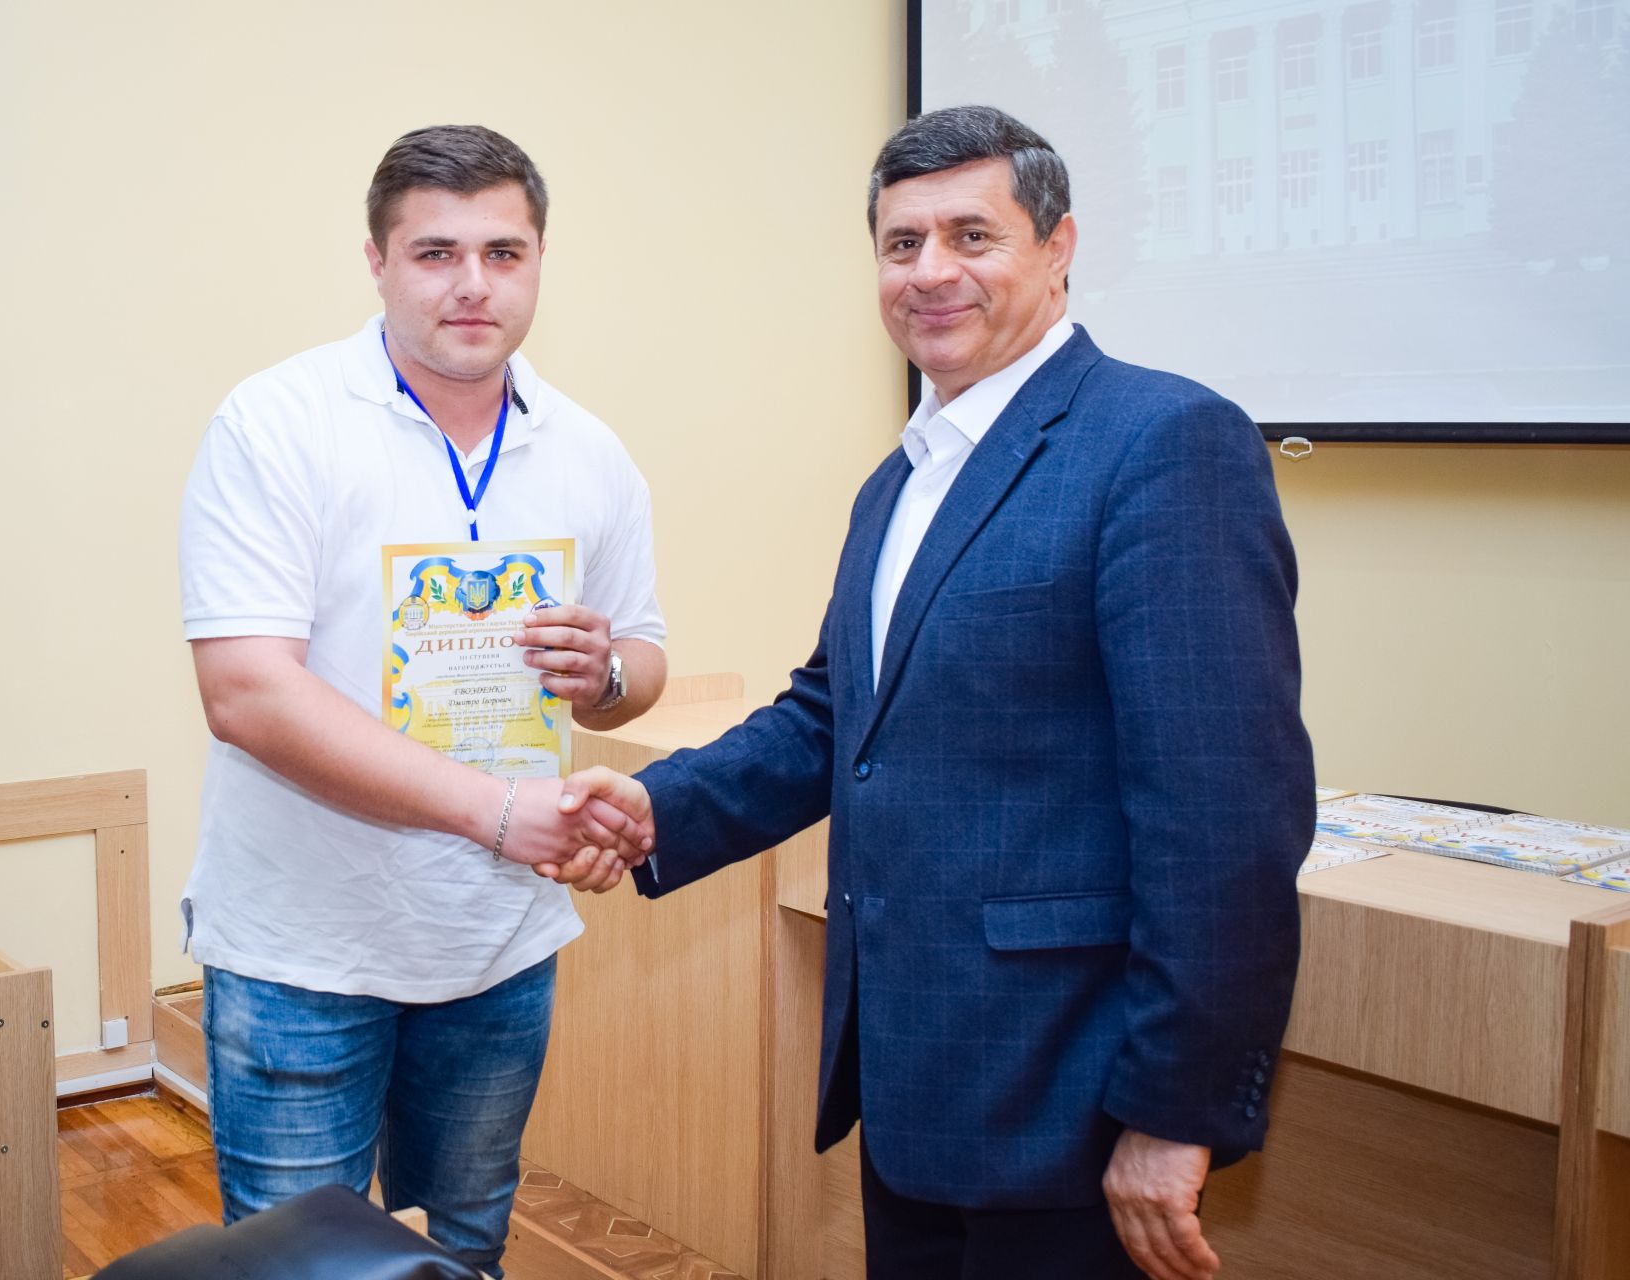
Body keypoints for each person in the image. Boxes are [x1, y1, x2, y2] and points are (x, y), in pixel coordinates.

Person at [547, 105, 1313, 1280]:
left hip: (1072, 1100)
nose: (931, 270)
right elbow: (834, 716)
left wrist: (1176, 1109)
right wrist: (662, 807)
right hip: (916, 1083)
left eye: (972, 235)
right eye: (902, 243)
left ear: (1058, 248)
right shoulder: (898, 481)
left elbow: (1224, 814)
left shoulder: (1165, 442)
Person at [177, 123, 667, 1278]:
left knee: (465, 1247)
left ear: (539, 260)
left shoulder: (589, 451)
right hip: (304, 948)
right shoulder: (278, 422)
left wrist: (600, 671)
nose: (472, 283)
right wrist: (496, 813)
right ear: (378, 261)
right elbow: (245, 692)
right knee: (296, 1266)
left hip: (498, 941)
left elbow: (640, 660)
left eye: (504, 252)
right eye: (437, 251)